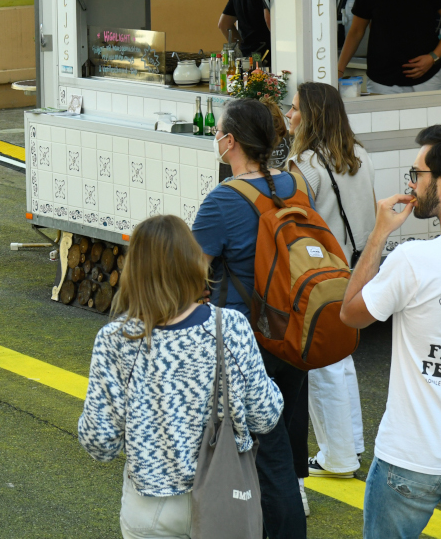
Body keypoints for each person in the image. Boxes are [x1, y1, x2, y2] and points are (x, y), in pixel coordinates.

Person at [79, 214, 284, 539]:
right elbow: (266, 416)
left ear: (136, 270)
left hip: (150, 506)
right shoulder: (230, 327)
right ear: (193, 262)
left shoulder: (116, 339)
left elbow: (99, 442)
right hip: (225, 493)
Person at [340, 122, 441, 538]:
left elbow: (351, 314)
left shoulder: (413, 259)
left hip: (413, 457)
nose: (411, 182)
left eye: (417, 173)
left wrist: (378, 235)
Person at [191, 98, 307, 539]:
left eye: (219, 132)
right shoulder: (295, 186)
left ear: (232, 141)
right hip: (292, 332)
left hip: (244, 343)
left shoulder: (223, 199)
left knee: (265, 457)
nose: (216, 139)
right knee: (278, 449)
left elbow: (191, 274)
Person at [286, 82, 373, 479]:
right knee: (342, 357)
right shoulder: (360, 155)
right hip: (358, 269)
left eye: (295, 108)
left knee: (322, 364)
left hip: (320, 277)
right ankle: (349, 444)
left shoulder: (305, 164)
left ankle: (338, 457)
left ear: (313, 115)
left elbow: (293, 225)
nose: (289, 114)